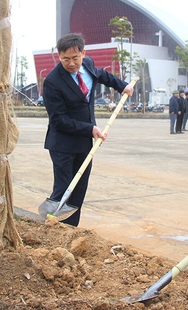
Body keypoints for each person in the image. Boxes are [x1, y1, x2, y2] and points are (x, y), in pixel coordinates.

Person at [41, 33, 133, 227]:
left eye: (75, 58)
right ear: (59, 57)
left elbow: (103, 75)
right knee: (64, 188)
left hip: (84, 143)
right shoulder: (52, 82)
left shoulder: (88, 64)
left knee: (79, 189)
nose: (71, 63)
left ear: (83, 53)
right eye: (65, 59)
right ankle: (53, 225)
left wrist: (122, 86)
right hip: (62, 144)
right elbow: (58, 120)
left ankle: (71, 228)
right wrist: (89, 128)